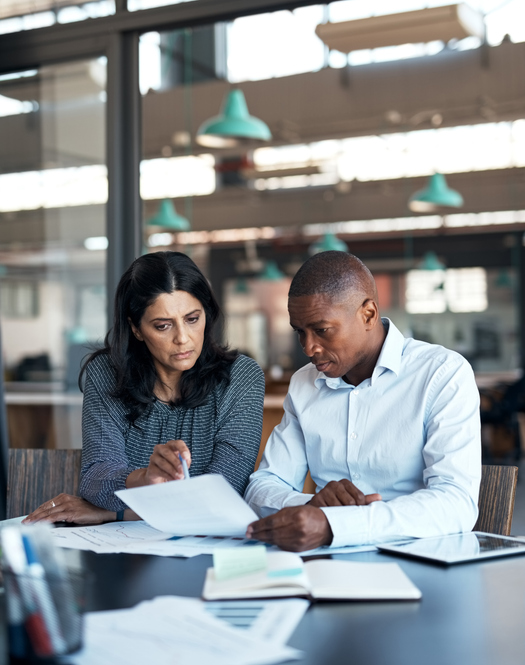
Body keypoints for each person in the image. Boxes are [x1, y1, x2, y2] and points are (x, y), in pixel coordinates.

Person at [244, 251, 481, 552]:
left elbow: (455, 503)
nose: (308, 347)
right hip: (327, 565)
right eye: (299, 332)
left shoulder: (442, 374)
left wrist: (336, 525)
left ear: (367, 314)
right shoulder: (304, 384)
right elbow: (263, 487)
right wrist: (311, 506)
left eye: (321, 330)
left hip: (420, 560)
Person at [24, 251, 264, 525]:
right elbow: (95, 480)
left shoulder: (240, 377)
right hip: (128, 551)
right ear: (136, 328)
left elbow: (224, 493)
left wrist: (112, 513)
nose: (183, 339)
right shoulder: (106, 373)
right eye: (163, 326)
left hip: (207, 547)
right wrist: (146, 477)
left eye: (192, 319)